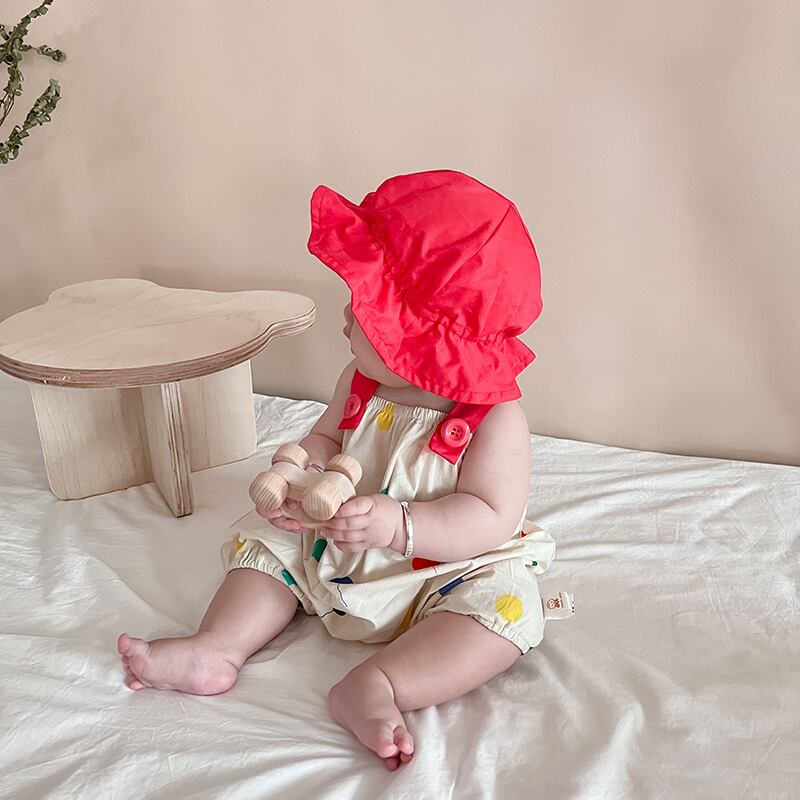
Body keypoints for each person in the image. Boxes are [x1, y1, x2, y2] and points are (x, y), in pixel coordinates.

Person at [118, 170, 573, 771]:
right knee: (264, 541)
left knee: (508, 606)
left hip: (441, 569)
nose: (345, 319)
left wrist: (398, 526)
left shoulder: (493, 419)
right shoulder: (361, 382)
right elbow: (328, 437)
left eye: (363, 310)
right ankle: (217, 647)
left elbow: (491, 516)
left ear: (411, 337)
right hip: (334, 538)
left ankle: (380, 683)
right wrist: (299, 476)